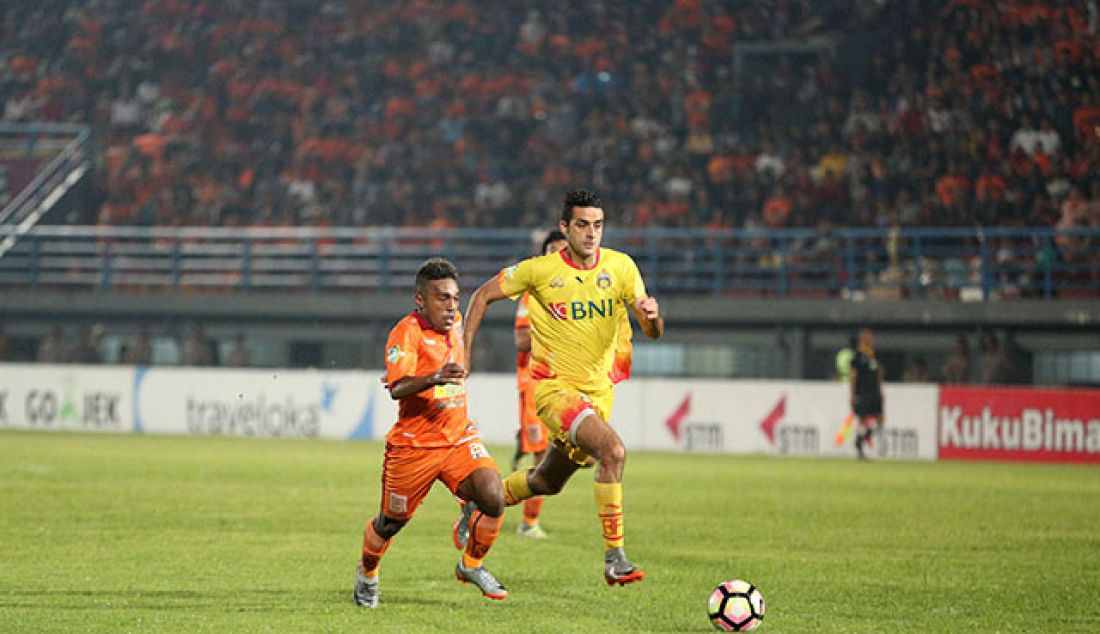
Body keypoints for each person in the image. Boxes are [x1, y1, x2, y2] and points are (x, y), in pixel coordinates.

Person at [459, 189, 664, 586]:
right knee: (614, 451)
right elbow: (483, 295)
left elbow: (653, 332)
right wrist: (465, 355)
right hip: (555, 392)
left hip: (599, 394)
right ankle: (615, 557)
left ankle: (478, 501)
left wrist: (653, 318)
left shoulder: (622, 268)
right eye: (583, 225)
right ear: (565, 227)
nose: (591, 234)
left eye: (598, 225)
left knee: (545, 482)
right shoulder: (540, 271)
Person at [354, 258, 507, 608]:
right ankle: (367, 573)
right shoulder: (406, 331)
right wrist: (433, 377)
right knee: (389, 524)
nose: (451, 306)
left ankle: (471, 564)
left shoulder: (456, 326)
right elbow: (397, 388)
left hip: (458, 439)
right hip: (414, 447)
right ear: (420, 300)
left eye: (455, 298)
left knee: (493, 496)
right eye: (442, 298)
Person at [510, 229, 570, 540]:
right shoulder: (531, 294)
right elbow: (520, 339)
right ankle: (527, 521)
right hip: (535, 383)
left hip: (563, 384)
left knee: (561, 451)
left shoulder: (574, 297)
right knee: (543, 456)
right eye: (554, 251)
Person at [850, 327, 884, 460]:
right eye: (867, 336)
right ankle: (860, 446)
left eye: (870, 336)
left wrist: (881, 391)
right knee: (863, 420)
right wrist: (852, 394)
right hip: (863, 393)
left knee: (879, 421)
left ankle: (860, 438)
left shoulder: (873, 355)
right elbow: (853, 376)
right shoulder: (857, 356)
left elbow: (879, 374)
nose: (870, 338)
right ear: (862, 338)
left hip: (874, 393)